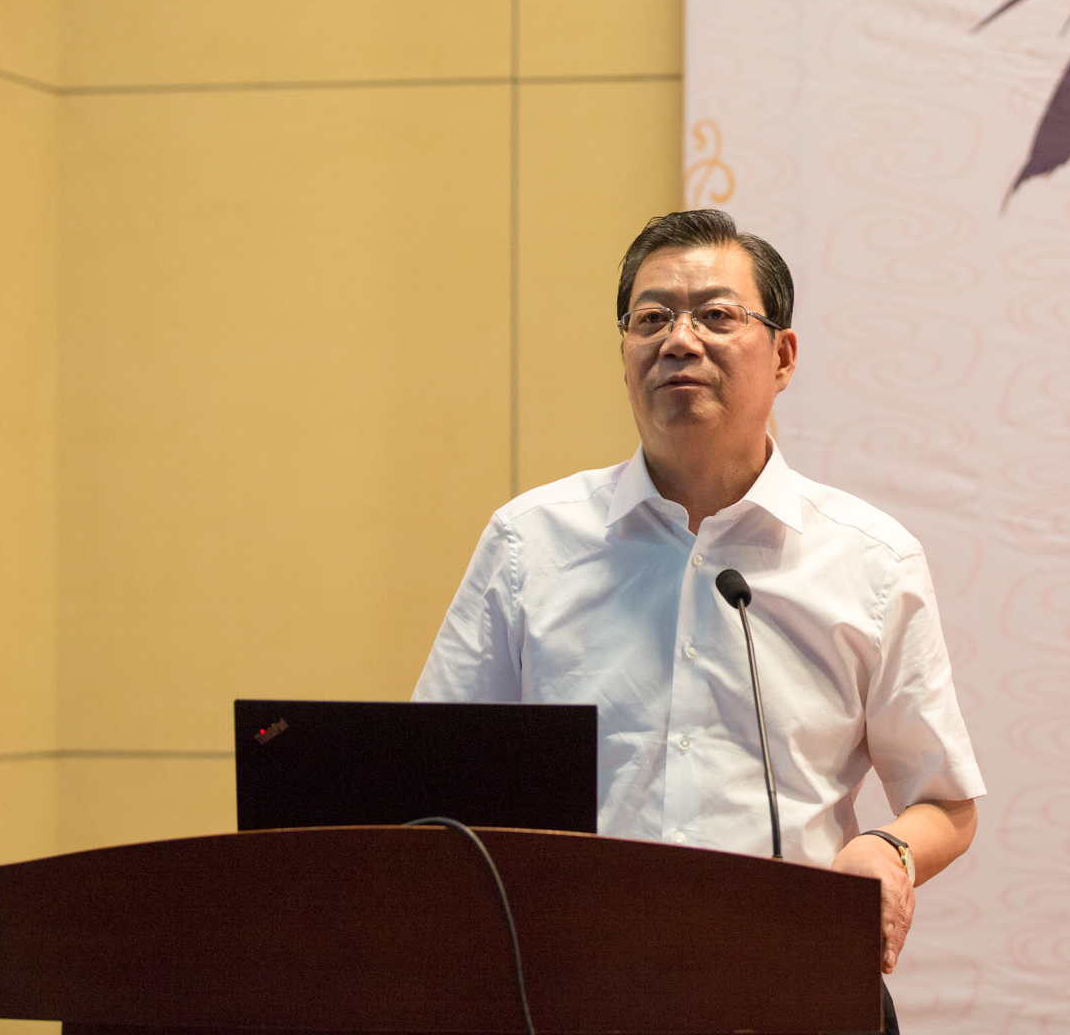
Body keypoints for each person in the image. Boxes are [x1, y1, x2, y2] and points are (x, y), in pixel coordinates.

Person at [415, 209, 984, 1016]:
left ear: (782, 356)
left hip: (792, 988)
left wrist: (887, 850)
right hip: (571, 991)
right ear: (624, 356)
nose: (679, 341)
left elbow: (946, 803)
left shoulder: (870, 559)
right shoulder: (529, 545)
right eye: (651, 319)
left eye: (716, 315)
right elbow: (431, 781)